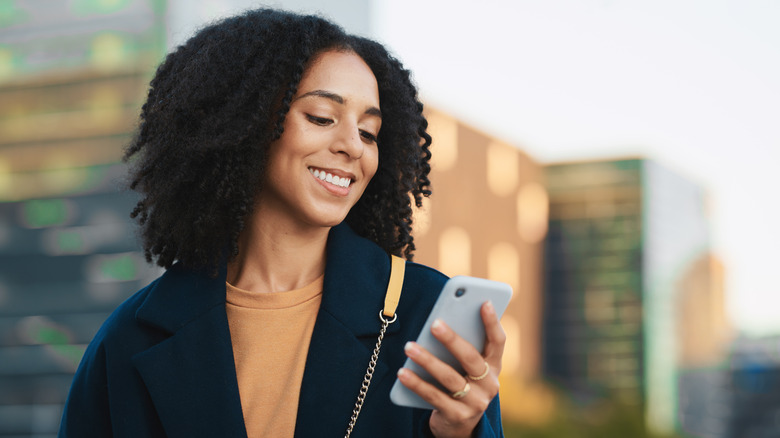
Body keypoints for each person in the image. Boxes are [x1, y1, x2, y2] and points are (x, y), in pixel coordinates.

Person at [59, 8, 506, 438]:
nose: (353, 145)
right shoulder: (130, 337)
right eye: (321, 117)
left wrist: (461, 433)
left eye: (369, 132)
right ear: (244, 123)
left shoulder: (423, 313)